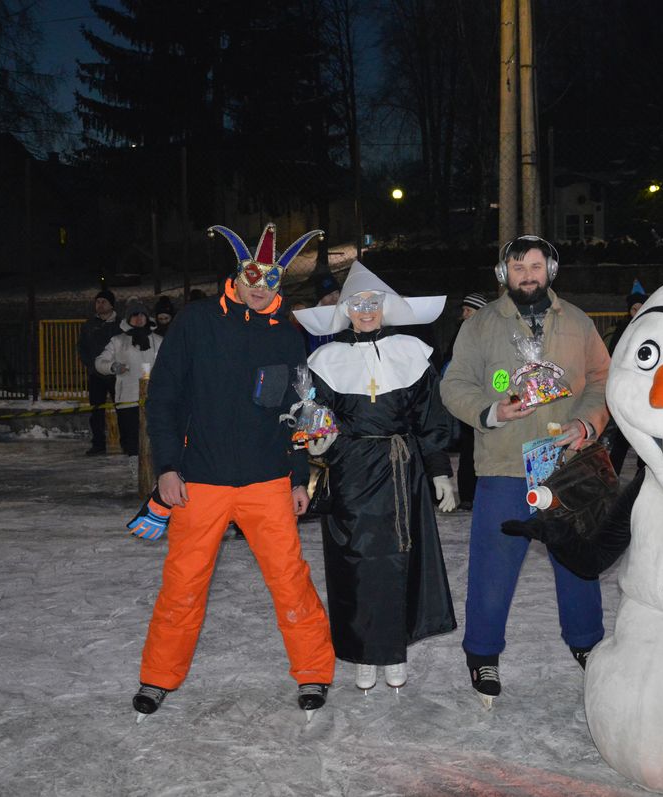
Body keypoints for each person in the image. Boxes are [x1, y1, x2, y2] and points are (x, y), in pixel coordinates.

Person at [129, 222, 336, 719]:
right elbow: (164, 399)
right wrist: (167, 467)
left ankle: (313, 672)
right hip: (199, 481)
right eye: (252, 276)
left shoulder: (286, 334)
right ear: (237, 275)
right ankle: (158, 677)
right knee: (183, 584)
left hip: (267, 482)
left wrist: (297, 476)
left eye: (271, 278)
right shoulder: (196, 322)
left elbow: (296, 410)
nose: (260, 286)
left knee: (290, 580)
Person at [440, 234, 610, 706]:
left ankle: (588, 643)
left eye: (536, 266)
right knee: (492, 567)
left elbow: (602, 379)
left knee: (577, 563)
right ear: (504, 274)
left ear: (550, 271)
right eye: (518, 267)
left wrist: (586, 423)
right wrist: (492, 411)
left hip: (565, 464)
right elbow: (454, 384)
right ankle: (483, 653)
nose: (528, 275)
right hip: (505, 465)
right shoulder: (481, 326)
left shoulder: (577, 321)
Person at [295, 262, 457, 692]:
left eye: (373, 303)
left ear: (384, 307)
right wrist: (318, 444)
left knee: (400, 561)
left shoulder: (411, 351)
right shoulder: (326, 359)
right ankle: (365, 653)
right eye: (357, 304)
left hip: (403, 471)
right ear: (346, 310)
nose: (366, 311)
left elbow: (430, 418)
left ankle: (394, 651)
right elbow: (318, 415)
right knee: (356, 564)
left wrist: (440, 471)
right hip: (350, 470)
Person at [95, 298, 162, 457]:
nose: (139, 319)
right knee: (131, 443)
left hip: (154, 400)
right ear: (128, 318)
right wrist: (113, 367)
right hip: (128, 400)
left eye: (142, 315)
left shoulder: (159, 341)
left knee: (155, 442)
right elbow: (99, 362)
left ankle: (155, 471)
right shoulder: (118, 341)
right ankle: (133, 467)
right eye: (134, 315)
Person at [600, 280, 648, 474]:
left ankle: (642, 473)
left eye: (641, 308)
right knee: (622, 436)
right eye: (634, 308)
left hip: (645, 390)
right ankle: (613, 471)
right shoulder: (622, 329)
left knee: (645, 435)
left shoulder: (651, 328)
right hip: (627, 390)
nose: (637, 312)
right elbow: (614, 357)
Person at [446, 292, 488, 507]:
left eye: (468, 310)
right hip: (466, 400)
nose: (464, 314)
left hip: (486, 400)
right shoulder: (462, 333)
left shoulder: (489, 334)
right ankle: (468, 495)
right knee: (468, 448)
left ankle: (477, 494)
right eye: (464, 310)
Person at [76, 289, 119, 455]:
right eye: (98, 302)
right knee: (96, 411)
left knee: (122, 409)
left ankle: (127, 442)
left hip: (117, 374)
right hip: (96, 375)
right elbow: (82, 347)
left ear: (111, 305)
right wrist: (91, 365)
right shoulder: (89, 325)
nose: (100, 305)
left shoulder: (120, 324)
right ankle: (98, 444)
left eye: (103, 302)